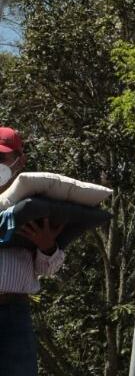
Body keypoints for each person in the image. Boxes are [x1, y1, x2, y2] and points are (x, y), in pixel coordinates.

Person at [0, 127, 65, 376]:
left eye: (1, 157)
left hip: (13, 313)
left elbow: (48, 268)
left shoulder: (35, 206)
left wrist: (47, 246)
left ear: (20, 161)